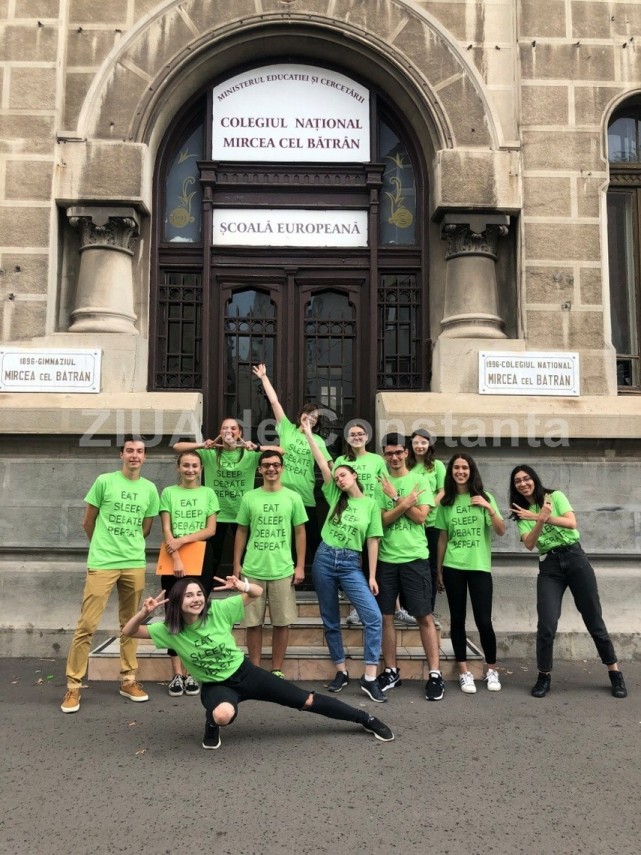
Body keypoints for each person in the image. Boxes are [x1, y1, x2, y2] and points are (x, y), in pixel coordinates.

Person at [122, 577, 395, 748]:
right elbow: (129, 632)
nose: (196, 599)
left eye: (199, 594)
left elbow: (256, 592)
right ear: (177, 602)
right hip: (217, 686)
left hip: (246, 673)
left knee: (305, 700)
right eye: (189, 595)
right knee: (222, 714)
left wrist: (242, 586)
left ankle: (365, 719)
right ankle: (212, 722)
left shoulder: (219, 610)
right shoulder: (170, 630)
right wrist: (143, 613)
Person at [509, 464, 627, 699]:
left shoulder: (555, 496)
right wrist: (537, 520)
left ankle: (614, 672)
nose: (523, 483)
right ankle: (544, 675)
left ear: (534, 479)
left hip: (575, 558)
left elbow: (571, 523)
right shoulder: (519, 512)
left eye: (526, 478)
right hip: (549, 567)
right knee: (546, 623)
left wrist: (540, 516)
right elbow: (530, 543)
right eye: (517, 481)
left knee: (593, 617)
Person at [61, 435, 160, 713]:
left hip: (133, 562)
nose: (134, 456)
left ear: (145, 457)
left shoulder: (150, 489)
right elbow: (87, 521)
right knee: (87, 625)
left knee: (131, 622)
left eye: (140, 451)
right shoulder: (104, 481)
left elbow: (146, 528)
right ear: (121, 454)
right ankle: (73, 686)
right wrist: (102, 547)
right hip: (103, 562)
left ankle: (129, 679)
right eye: (130, 450)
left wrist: (128, 546)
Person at [300, 416, 386, 702]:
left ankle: (370, 677)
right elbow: (323, 462)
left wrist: (372, 575)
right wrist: (310, 434)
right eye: (337, 477)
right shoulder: (335, 496)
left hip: (351, 564)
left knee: (372, 617)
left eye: (343, 475)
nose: (339, 478)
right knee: (331, 619)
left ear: (354, 476)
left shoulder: (370, 504)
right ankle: (341, 670)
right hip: (324, 559)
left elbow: (373, 539)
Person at [173, 418, 281, 595]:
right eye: (224, 428)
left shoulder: (249, 454)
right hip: (217, 515)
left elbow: (280, 451)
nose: (229, 431)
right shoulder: (210, 453)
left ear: (240, 433)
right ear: (220, 433)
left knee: (247, 558)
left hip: (243, 515)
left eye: (233, 428)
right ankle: (202, 597)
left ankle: (248, 598)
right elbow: (177, 447)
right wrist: (202, 445)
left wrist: (257, 448)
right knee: (211, 560)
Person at [375, 433, 444, 701]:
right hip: (387, 559)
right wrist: (403, 501)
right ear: (384, 454)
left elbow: (420, 518)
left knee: (423, 615)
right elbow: (381, 522)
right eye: (389, 453)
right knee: (387, 617)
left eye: (398, 452)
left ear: (406, 453)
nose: (394, 457)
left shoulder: (420, 479)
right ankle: (391, 670)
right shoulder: (381, 483)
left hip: (415, 558)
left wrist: (396, 500)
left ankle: (435, 674)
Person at [435, 453, 505, 694]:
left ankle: (492, 669)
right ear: (451, 472)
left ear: (471, 470)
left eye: (465, 467)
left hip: (479, 567)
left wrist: (488, 508)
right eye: (456, 467)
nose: (460, 471)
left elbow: (501, 530)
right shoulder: (446, 502)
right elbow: (443, 538)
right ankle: (464, 672)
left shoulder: (485, 498)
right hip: (454, 566)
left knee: (484, 620)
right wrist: (439, 569)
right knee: (457, 620)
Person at [233, 450, 307, 677]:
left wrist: (300, 565)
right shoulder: (250, 497)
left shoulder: (293, 497)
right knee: (253, 623)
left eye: (276, 465)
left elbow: (300, 532)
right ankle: (255, 670)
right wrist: (237, 563)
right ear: (259, 469)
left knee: (281, 622)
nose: (271, 469)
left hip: (282, 568)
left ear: (282, 468)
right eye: (266, 465)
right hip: (253, 568)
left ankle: (276, 670)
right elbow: (241, 530)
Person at [253, 363, 332, 561]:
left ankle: (320, 579)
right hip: (282, 495)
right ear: (301, 415)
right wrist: (264, 377)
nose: (311, 418)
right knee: (283, 540)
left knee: (313, 541)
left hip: (305, 496)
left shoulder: (319, 441)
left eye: (315, 417)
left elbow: (328, 466)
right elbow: (274, 402)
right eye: (309, 414)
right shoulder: (287, 429)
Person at [159, 450, 219, 697]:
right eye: (186, 465)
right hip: (173, 560)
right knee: (174, 612)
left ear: (201, 468)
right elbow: (166, 528)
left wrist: (182, 541)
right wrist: (175, 556)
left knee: (197, 612)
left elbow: (211, 529)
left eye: (195, 465)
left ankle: (193, 672)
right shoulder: (169, 493)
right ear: (178, 468)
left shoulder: (208, 493)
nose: (190, 469)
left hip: (202, 557)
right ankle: (176, 674)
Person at [408, 429, 446, 627]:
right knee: (411, 565)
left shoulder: (437, 465)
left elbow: (443, 490)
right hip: (412, 522)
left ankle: (429, 609)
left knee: (430, 567)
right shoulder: (408, 465)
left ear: (429, 444)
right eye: (416, 442)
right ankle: (408, 609)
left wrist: (428, 505)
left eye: (423, 442)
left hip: (431, 523)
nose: (420, 446)